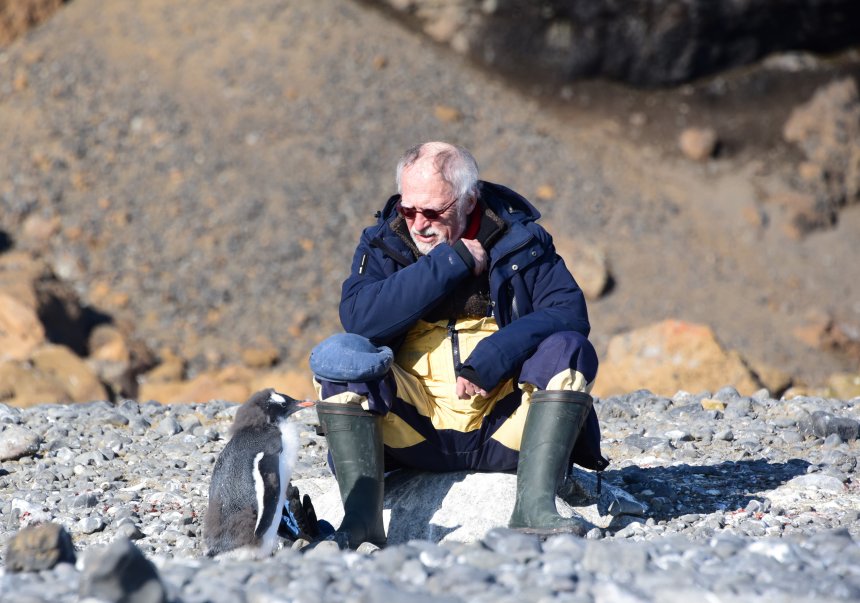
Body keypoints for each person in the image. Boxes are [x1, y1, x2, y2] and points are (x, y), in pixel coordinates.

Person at [309, 141, 608, 549]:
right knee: (343, 357)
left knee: (569, 349)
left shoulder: (521, 240)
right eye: (407, 210)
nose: (418, 224)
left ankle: (534, 507)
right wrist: (451, 263)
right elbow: (361, 319)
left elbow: (570, 313)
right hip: (414, 435)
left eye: (433, 212)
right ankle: (361, 521)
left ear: (469, 200)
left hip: (502, 432)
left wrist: (495, 356)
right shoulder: (383, 242)